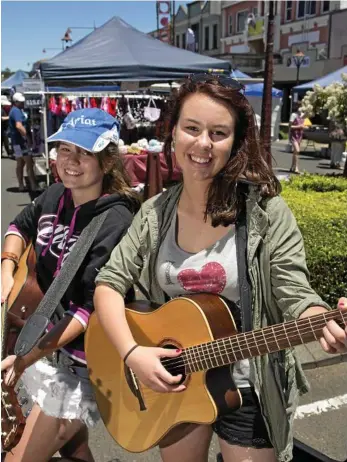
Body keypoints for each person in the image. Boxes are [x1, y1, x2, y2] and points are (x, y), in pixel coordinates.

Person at [93, 75, 347, 462]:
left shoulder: (265, 213)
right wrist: (132, 353)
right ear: (173, 132)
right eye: (192, 128)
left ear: (236, 142)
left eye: (218, 132)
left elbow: (294, 291)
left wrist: (321, 319)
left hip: (250, 385)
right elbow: (108, 284)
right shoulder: (154, 214)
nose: (202, 144)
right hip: (177, 381)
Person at [1, 108, 139, 462]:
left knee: (18, 456)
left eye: (85, 152)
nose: (71, 161)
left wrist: (26, 358)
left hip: (81, 361)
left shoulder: (115, 220)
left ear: (107, 162)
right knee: (73, 447)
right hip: (46, 347)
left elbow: (89, 309)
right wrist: (7, 266)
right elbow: (19, 226)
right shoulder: (54, 196)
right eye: (65, 149)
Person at [8, 92, 39, 191]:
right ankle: (33, 185)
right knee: (29, 162)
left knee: (20, 163)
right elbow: (19, 125)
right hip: (21, 142)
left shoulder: (15, 110)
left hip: (16, 141)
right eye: (20, 102)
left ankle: (21, 185)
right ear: (15, 102)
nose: (22, 104)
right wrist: (27, 137)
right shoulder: (16, 111)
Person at [289, 103, 305, 174]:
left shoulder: (303, 115)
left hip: (300, 135)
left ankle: (292, 166)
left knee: (295, 151)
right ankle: (296, 167)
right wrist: (299, 126)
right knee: (297, 150)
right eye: (300, 106)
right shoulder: (293, 115)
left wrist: (304, 127)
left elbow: (304, 125)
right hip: (293, 135)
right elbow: (290, 126)